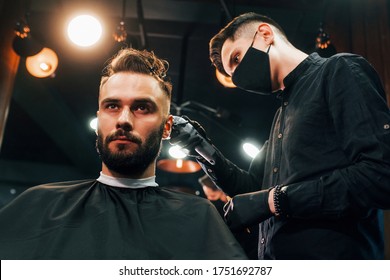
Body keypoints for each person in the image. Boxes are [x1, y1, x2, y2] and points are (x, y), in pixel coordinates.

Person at [171, 12, 390, 259]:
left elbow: (381, 174)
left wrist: (275, 201)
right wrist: (199, 146)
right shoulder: (281, 115)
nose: (240, 78)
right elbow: (252, 188)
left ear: (265, 34)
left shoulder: (338, 71)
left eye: (237, 58)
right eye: (233, 75)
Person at [0, 48, 247, 260]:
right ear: (99, 119)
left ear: (167, 127)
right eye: (112, 106)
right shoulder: (40, 206)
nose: (124, 120)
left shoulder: (199, 219)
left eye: (142, 107)